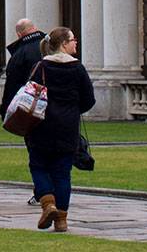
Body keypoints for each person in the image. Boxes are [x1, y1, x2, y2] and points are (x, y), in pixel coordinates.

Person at [22, 26, 94, 233]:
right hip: (67, 127)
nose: (75, 43)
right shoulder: (78, 68)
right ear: (63, 44)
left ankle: (47, 203)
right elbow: (88, 100)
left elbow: (28, 95)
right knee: (63, 173)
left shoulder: (41, 67)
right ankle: (61, 220)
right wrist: (71, 110)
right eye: (73, 40)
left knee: (38, 166)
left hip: (41, 124)